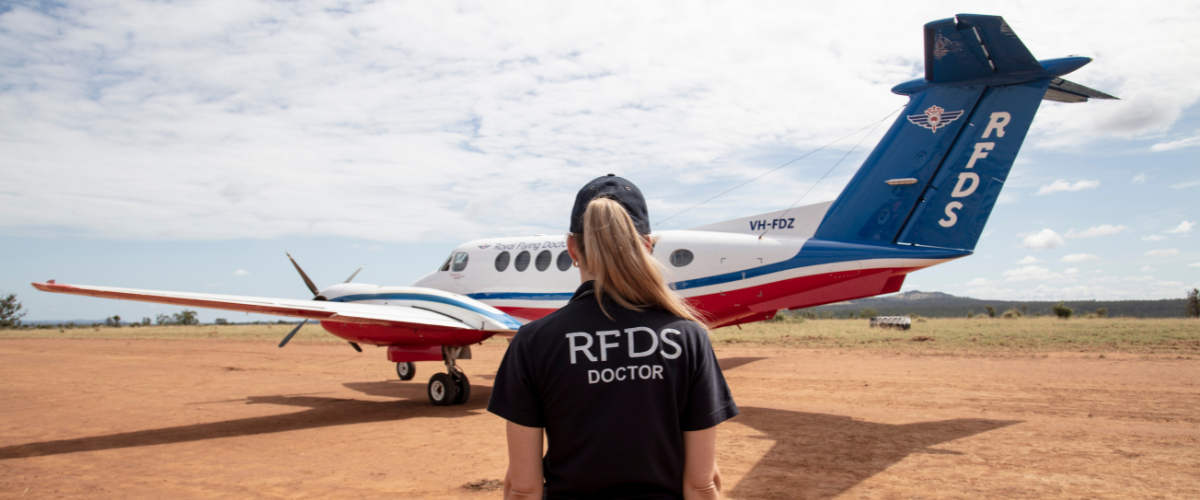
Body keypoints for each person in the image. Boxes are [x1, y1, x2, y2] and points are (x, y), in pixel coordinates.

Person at [488, 174, 739, 500]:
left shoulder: (533, 341)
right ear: (647, 246)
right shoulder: (688, 338)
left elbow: (523, 488)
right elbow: (703, 484)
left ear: (572, 248)